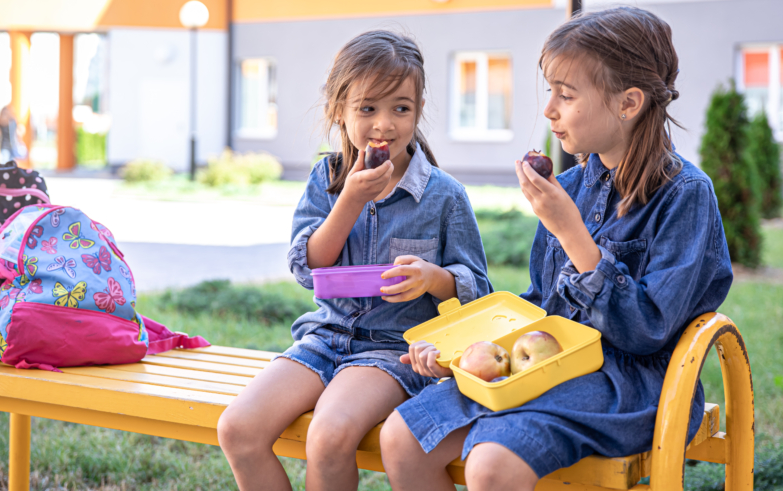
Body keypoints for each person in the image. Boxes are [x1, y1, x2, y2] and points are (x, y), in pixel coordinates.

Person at [380, 7, 733, 491]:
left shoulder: (685, 195)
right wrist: (465, 353)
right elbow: (539, 305)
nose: (548, 110)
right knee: (403, 438)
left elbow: (648, 330)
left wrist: (572, 234)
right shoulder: (567, 187)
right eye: (550, 92)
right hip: (546, 363)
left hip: (629, 383)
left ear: (628, 102)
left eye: (565, 95)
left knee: (491, 465)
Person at [217, 30, 492, 491]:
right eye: (367, 108)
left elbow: (477, 288)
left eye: (400, 108)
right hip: (324, 338)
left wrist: (432, 278)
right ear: (338, 111)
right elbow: (308, 269)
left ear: (419, 110)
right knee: (237, 428)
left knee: (328, 436)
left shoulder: (444, 195)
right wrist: (349, 199)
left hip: (393, 350)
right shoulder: (326, 178)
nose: (384, 124)